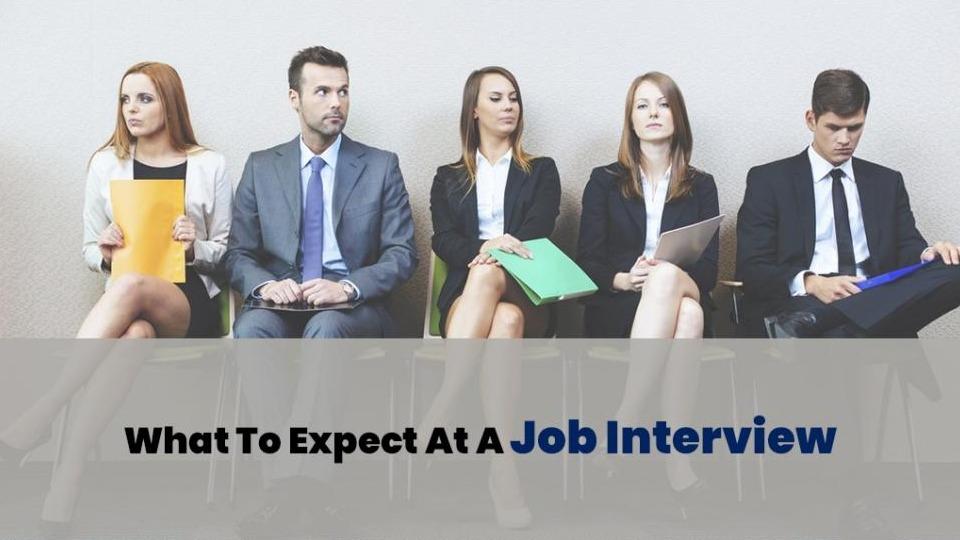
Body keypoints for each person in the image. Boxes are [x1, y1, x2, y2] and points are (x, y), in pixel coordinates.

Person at [0, 61, 230, 532]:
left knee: (133, 289)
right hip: (130, 306)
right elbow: (89, 250)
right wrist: (104, 250)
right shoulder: (106, 163)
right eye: (125, 99)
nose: (132, 109)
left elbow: (227, 252)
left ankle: (44, 410)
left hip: (187, 303)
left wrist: (196, 244)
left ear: (170, 102)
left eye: (144, 98)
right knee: (136, 336)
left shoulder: (210, 164)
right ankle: (68, 476)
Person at [224, 46, 417, 538]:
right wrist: (267, 284)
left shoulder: (379, 166)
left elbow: (402, 255)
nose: (337, 102)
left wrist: (347, 286)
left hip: (353, 308)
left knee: (327, 326)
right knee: (250, 328)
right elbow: (237, 254)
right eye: (324, 91)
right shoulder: (262, 166)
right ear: (295, 98)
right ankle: (292, 486)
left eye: (344, 91)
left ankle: (297, 488)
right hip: (282, 302)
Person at [420, 66, 560, 528]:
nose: (508, 107)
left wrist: (501, 251)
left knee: (501, 293)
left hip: (527, 290)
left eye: (514, 98)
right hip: (470, 299)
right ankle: (504, 473)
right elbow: (443, 239)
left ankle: (444, 400)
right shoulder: (448, 176)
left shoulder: (541, 171)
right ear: (474, 110)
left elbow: (539, 231)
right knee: (501, 320)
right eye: (496, 98)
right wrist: (486, 248)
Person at [575, 72, 719, 512]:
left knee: (669, 277)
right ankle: (678, 461)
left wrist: (664, 275)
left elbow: (709, 272)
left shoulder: (702, 184)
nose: (653, 113)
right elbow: (588, 261)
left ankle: (623, 425)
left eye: (662, 104)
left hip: (685, 288)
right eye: (643, 106)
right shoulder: (604, 181)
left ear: (678, 115)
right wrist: (622, 279)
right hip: (622, 306)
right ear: (631, 119)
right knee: (690, 316)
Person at [736, 69, 960, 338]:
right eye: (833, 128)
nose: (844, 140)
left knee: (953, 270)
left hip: (870, 291)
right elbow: (752, 267)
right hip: (805, 297)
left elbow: (907, 248)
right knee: (858, 330)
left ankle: (816, 320)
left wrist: (928, 255)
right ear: (811, 119)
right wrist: (812, 283)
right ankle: (825, 317)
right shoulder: (769, 180)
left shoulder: (887, 182)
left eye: (854, 128)